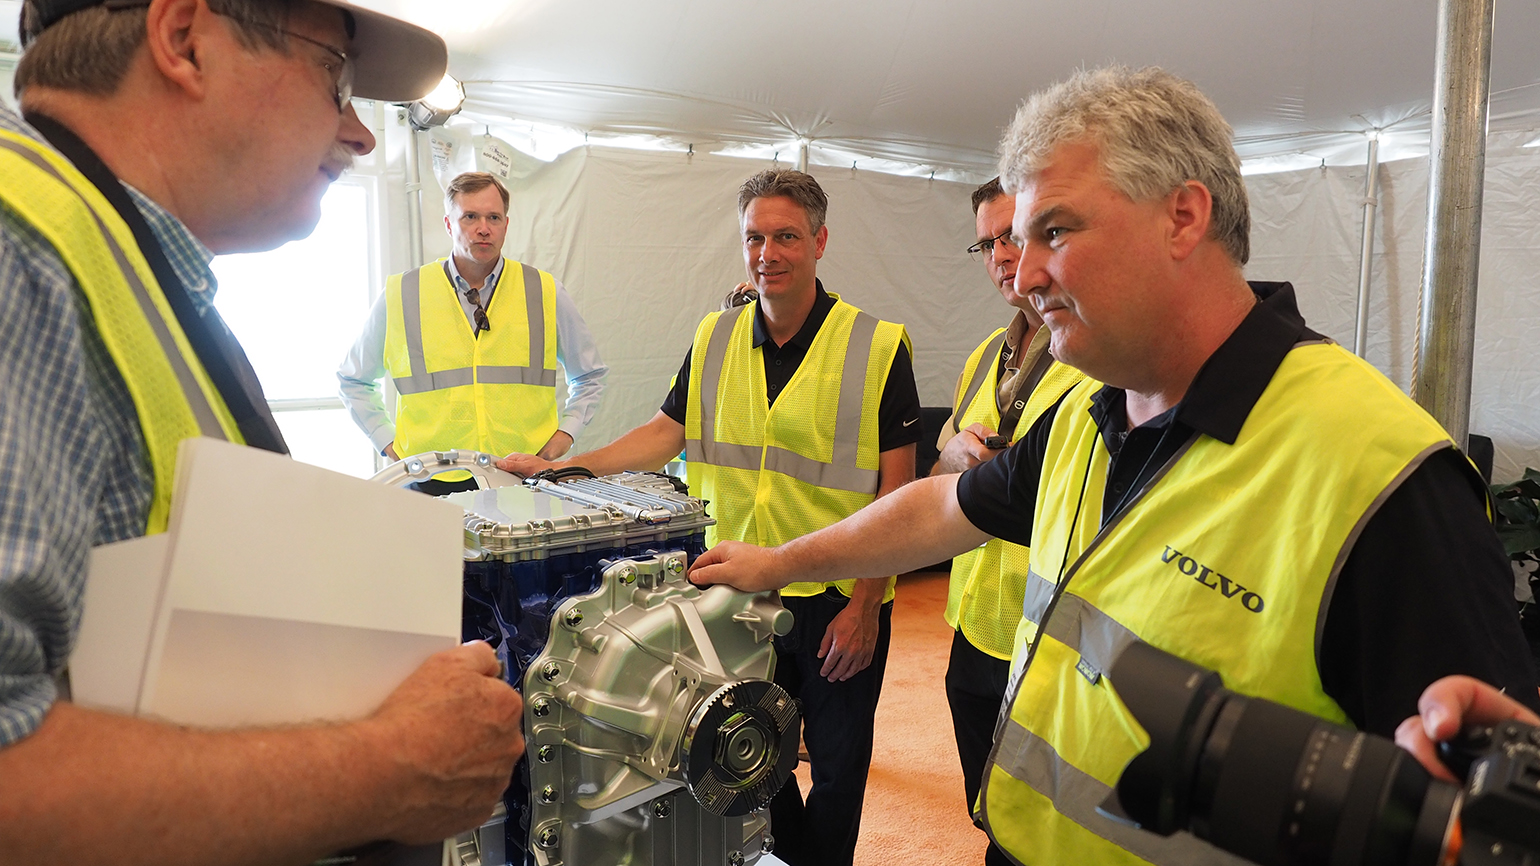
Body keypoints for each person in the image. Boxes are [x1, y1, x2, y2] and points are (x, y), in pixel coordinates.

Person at [688, 66, 1540, 866]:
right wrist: (779, 564)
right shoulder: (1088, 417)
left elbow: (1488, 811)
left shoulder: (1378, 475)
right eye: (1017, 243)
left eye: (1055, 231)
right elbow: (939, 511)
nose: (1026, 276)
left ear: (1183, 216)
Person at [0, 1, 524, 863]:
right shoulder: (23, 255)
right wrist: (388, 764)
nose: (360, 135)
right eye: (337, 79)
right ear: (185, 41)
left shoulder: (123, 273)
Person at [500, 168, 923, 866]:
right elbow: (664, 432)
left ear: (820, 241)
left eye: (786, 236)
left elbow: (897, 495)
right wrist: (559, 469)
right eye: (755, 237)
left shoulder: (878, 346)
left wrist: (867, 606)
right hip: (735, 592)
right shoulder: (715, 335)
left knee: (840, 771)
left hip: (835, 599)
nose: (768, 253)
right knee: (745, 758)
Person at [934, 177, 1084, 866]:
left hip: (1050, 636)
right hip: (975, 625)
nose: (1000, 255)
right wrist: (954, 453)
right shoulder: (981, 358)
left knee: (1040, 827)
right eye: (988, 242)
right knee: (986, 807)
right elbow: (940, 469)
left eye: (1012, 236)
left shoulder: (1094, 362)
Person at [338, 170, 607, 494]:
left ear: (506, 224)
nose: (483, 228)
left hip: (523, 476)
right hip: (427, 479)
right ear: (449, 224)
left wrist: (560, 441)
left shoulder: (545, 291)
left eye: (493, 217)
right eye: (470, 217)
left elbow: (590, 376)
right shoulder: (402, 292)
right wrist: (389, 444)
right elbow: (353, 379)